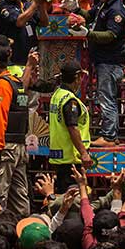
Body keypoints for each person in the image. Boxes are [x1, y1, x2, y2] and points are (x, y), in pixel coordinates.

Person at [71, 0, 125, 148]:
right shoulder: (104, 5)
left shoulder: (116, 10)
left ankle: (108, 137)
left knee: (106, 97)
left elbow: (111, 35)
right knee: (106, 96)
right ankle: (112, 135)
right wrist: (75, 9)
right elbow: (89, 16)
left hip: (110, 60)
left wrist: (88, 34)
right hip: (102, 59)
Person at [0, 44, 31, 217]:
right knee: (19, 195)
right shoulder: (17, 83)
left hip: (4, 147)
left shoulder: (2, 85)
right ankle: (22, 224)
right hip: (18, 146)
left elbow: (0, 118)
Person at [48, 60, 92, 192]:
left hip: (59, 156)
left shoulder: (57, 95)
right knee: (74, 197)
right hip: (71, 158)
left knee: (64, 196)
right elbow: (72, 127)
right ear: (77, 77)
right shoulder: (70, 100)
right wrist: (84, 153)